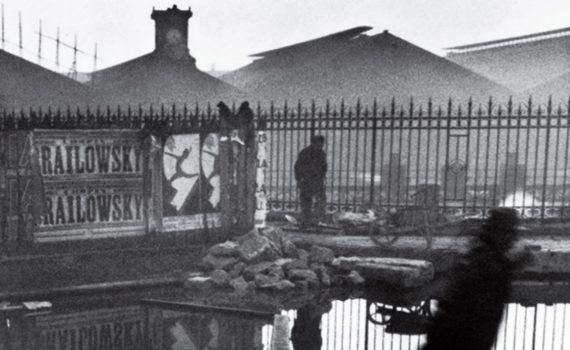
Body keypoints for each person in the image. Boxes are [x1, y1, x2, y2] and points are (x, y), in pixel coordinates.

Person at [422, 207, 533, 350]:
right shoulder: (484, 260)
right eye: (510, 234)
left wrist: (512, 265)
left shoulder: (483, 255)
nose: (513, 239)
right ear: (499, 234)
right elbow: (487, 283)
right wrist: (513, 264)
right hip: (457, 341)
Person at [294, 135, 327, 227]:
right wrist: (299, 179)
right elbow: (298, 167)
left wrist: (322, 177)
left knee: (318, 201)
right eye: (320, 143)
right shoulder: (305, 153)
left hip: (315, 180)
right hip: (307, 181)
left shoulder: (321, 153)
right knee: (307, 202)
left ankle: (314, 220)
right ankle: (307, 221)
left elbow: (324, 167)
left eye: (322, 143)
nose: (321, 145)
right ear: (314, 143)